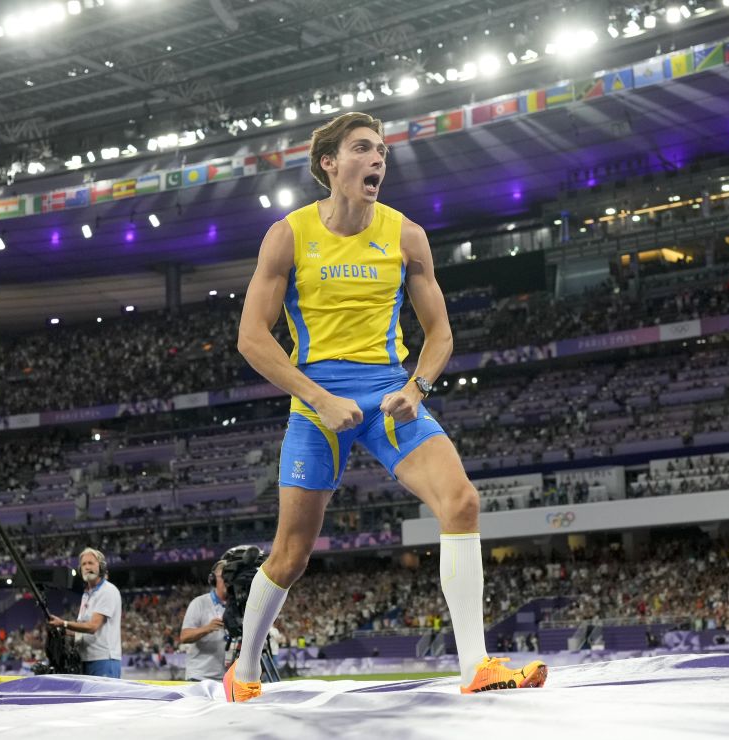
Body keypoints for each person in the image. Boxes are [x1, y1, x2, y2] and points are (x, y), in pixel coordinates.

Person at [225, 111, 547, 702]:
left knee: (462, 501)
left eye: (382, 151)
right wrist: (318, 398)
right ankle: (243, 669)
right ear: (329, 163)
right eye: (363, 149)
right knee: (291, 555)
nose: (378, 159)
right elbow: (251, 337)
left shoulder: (405, 235)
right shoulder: (288, 235)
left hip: (389, 395)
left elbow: (441, 334)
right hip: (317, 403)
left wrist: (416, 387)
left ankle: (475, 665)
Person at [48, 547, 122, 678]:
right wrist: (60, 629)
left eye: (91, 563)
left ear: (101, 567)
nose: (87, 567)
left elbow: (92, 627)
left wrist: (64, 623)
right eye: (84, 564)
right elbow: (82, 632)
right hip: (86, 659)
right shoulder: (86, 595)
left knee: (103, 699)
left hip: (104, 659)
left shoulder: (107, 590)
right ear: (80, 569)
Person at [179, 559, 229, 681]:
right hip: (200, 677)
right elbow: (184, 636)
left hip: (227, 678)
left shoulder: (238, 605)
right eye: (224, 576)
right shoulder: (199, 603)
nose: (228, 581)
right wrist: (207, 629)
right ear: (213, 580)